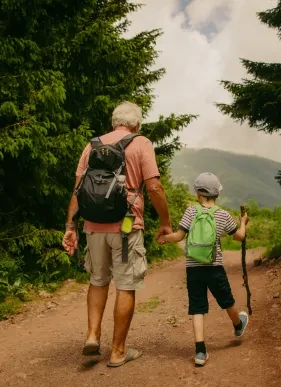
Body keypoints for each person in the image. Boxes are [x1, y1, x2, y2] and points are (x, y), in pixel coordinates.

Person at [62, 101, 172, 367]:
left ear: (114, 122)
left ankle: (92, 336)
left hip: (93, 226)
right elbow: (154, 187)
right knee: (125, 285)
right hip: (125, 227)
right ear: (136, 124)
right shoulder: (141, 143)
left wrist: (70, 227)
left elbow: (78, 189)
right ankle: (118, 351)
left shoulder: (92, 145)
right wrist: (165, 222)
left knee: (98, 280)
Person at [157, 172, 250, 367]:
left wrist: (164, 238)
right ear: (217, 194)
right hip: (214, 267)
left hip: (193, 269)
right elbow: (239, 237)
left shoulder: (191, 212)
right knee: (226, 300)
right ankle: (238, 325)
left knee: (197, 307)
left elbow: (179, 236)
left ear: (197, 192)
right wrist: (243, 222)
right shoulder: (223, 214)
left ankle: (200, 351)